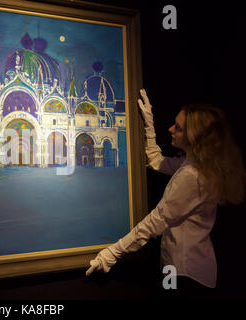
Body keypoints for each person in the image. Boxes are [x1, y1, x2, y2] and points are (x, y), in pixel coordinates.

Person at [85, 89, 245, 298]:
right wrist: (148, 124)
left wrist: (113, 253)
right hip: (194, 269)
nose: (170, 129)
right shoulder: (201, 166)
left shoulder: (192, 175)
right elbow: (156, 161)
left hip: (183, 273)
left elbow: (156, 221)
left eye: (178, 128)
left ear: (194, 137)